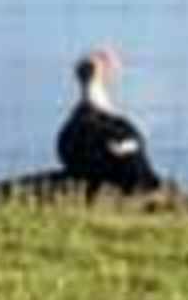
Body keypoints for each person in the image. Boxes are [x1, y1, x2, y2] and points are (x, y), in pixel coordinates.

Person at [55, 43, 163, 194]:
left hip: (106, 157)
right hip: (109, 158)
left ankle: (128, 174)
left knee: (124, 145)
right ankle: (129, 176)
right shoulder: (116, 124)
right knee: (125, 145)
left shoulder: (74, 129)